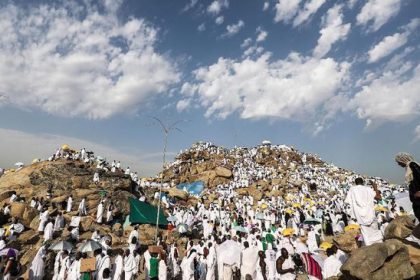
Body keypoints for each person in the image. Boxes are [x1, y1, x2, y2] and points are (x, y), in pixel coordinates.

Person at [345, 177, 383, 246]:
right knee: (376, 235)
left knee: (364, 237)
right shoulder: (368, 189)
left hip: (360, 218)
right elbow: (379, 197)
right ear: (363, 183)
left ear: (355, 183)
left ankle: (366, 249)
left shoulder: (352, 189)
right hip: (371, 215)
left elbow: (347, 201)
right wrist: (375, 187)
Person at [395, 153, 420, 220]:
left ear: (402, 160)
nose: (399, 164)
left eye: (398, 162)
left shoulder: (412, 164)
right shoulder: (408, 167)